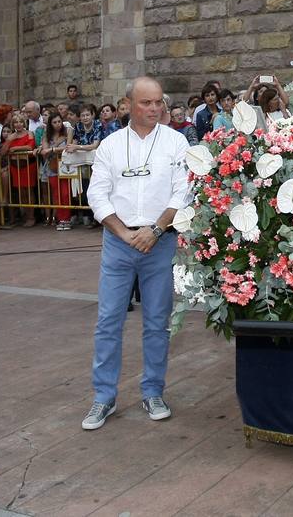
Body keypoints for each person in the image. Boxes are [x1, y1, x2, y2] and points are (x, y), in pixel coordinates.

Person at [83, 76, 191, 431]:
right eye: (146, 103)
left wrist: (156, 230)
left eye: (159, 102)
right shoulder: (111, 146)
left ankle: (153, 391)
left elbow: (182, 192)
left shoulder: (176, 142)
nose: (155, 109)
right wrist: (124, 232)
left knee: (157, 323)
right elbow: (97, 195)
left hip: (160, 241)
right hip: (119, 242)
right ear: (128, 104)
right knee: (108, 321)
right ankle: (103, 397)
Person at [37, 111, 73, 230]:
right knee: (56, 194)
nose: (57, 124)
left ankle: (66, 219)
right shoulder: (46, 135)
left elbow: (67, 147)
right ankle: (60, 219)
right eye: (54, 122)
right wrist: (51, 149)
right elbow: (44, 150)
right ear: (50, 124)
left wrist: (52, 149)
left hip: (65, 166)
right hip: (52, 166)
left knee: (65, 193)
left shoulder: (68, 131)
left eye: (59, 121)